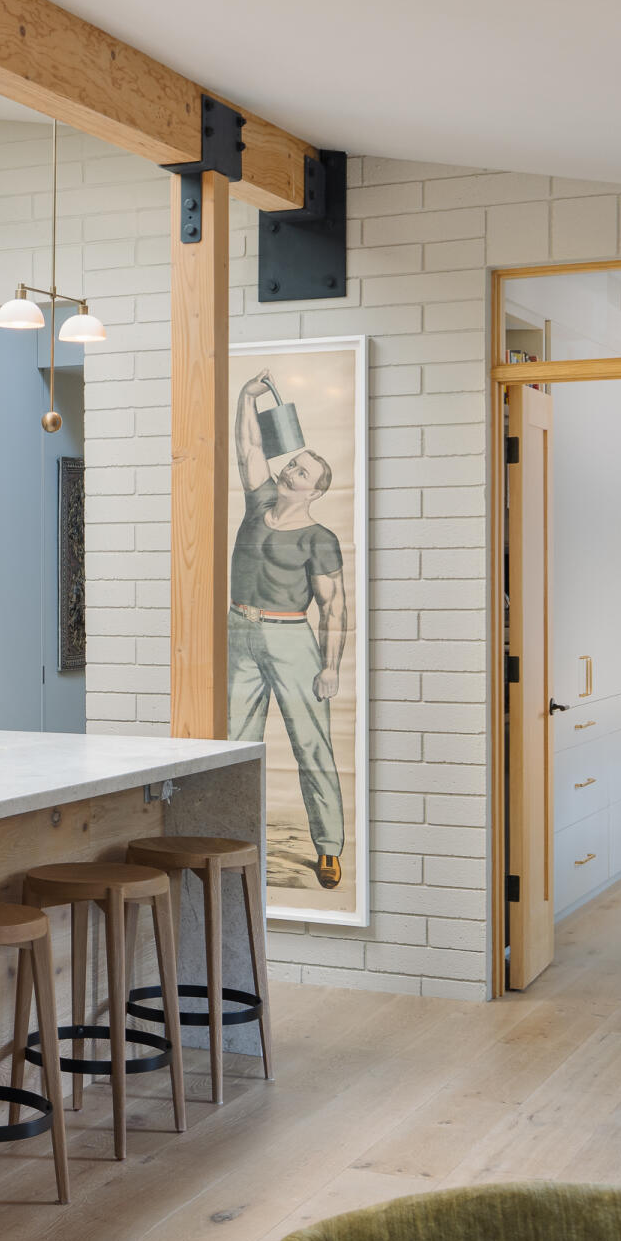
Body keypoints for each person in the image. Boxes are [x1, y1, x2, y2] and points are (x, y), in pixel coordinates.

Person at [232, 370, 348, 890]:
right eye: (293, 463)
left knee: (311, 745)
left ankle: (327, 848)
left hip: (291, 639)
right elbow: (249, 445)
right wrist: (246, 396)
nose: (290, 470)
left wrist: (330, 666)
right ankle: (233, 838)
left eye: (300, 471)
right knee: (233, 744)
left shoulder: (319, 537)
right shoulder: (258, 503)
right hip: (239, 633)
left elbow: (334, 607)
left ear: (314, 490)